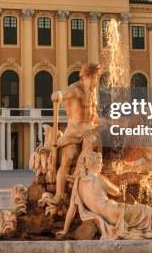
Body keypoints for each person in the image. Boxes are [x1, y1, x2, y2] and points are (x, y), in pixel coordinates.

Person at [57, 151, 152, 240]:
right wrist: (118, 174)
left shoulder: (78, 183)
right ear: (93, 164)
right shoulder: (99, 180)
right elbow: (116, 191)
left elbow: (71, 209)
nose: (101, 166)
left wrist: (65, 229)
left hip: (111, 215)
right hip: (117, 211)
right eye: (100, 163)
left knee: (150, 218)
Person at [50, 63, 102, 203]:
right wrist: (58, 95)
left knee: (89, 141)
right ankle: (59, 194)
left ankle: (76, 175)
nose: (97, 81)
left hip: (89, 131)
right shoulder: (75, 90)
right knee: (68, 157)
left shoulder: (92, 93)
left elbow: (94, 116)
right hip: (73, 134)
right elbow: (63, 93)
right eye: (95, 77)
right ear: (87, 77)